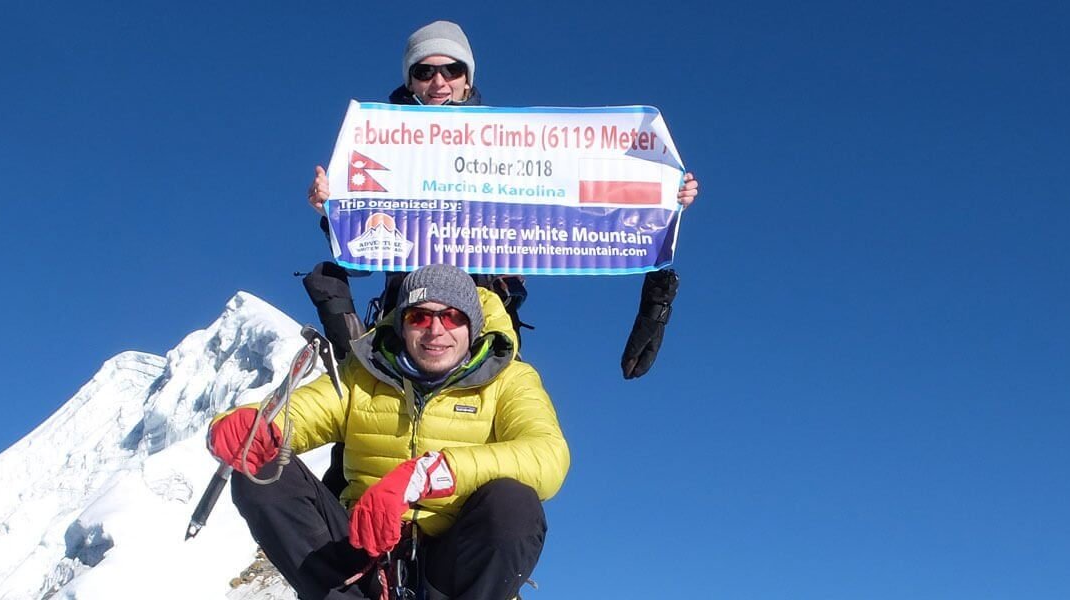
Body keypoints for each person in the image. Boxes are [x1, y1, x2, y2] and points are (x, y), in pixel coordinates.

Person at [301, 21, 701, 370]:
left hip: (488, 318)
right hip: (411, 317)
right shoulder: (377, 144)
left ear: (467, 78)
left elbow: (583, 180)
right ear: (410, 81)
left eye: (451, 70)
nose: (439, 82)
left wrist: (662, 192)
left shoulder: (509, 145)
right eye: (425, 71)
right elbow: (359, 258)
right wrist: (334, 212)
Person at [210, 264, 568, 600]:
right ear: (401, 324)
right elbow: (300, 413)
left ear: (472, 325)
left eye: (453, 317)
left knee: (513, 504)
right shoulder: (363, 374)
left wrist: (433, 473)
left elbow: (547, 455)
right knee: (258, 466)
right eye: (419, 316)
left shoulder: (510, 379)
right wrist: (251, 426)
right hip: (360, 553)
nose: (436, 330)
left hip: (454, 560)